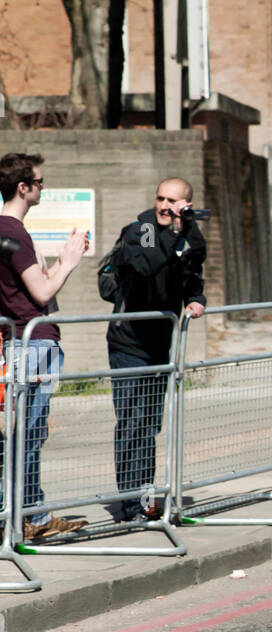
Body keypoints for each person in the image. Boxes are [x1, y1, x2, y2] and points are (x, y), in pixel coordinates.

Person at [106, 177, 206, 522]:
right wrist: (176, 235)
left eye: (172, 200)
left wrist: (195, 298)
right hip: (128, 342)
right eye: (160, 198)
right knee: (131, 423)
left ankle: (145, 498)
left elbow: (194, 270)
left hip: (159, 345)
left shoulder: (185, 232)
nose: (164, 205)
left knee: (149, 425)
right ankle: (130, 504)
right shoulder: (142, 228)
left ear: (185, 203)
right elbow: (147, 265)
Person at [0, 151, 88, 539]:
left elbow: (21, 289)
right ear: (23, 187)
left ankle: (33, 515)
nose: (42, 188)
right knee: (28, 434)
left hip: (17, 342)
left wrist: (51, 269)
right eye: (39, 182)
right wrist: (68, 262)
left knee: (25, 432)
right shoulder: (14, 231)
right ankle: (20, 518)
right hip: (32, 344)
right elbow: (40, 291)